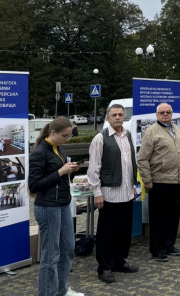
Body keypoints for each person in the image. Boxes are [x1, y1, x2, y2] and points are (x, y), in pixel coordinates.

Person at [28, 117, 84, 296]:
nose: (66, 139)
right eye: (64, 136)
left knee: (68, 249)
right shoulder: (39, 153)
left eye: (69, 136)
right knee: (51, 255)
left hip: (62, 205)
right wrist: (60, 172)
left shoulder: (58, 148)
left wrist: (70, 169)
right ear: (52, 133)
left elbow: (58, 176)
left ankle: (62, 289)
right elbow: (34, 185)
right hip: (47, 207)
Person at [88, 104, 139, 284]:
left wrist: (133, 185)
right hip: (109, 193)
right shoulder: (100, 138)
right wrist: (97, 193)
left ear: (124, 117)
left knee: (124, 231)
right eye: (114, 115)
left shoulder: (128, 135)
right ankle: (104, 267)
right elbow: (94, 168)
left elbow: (130, 163)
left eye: (120, 114)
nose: (117, 117)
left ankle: (119, 261)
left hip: (126, 192)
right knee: (107, 232)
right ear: (108, 118)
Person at [137, 103, 180, 261]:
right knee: (159, 217)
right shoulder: (151, 132)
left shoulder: (176, 128)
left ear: (172, 114)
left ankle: (169, 244)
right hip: (159, 180)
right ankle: (157, 248)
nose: (165, 114)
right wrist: (147, 180)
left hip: (176, 180)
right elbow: (143, 158)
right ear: (157, 114)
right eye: (162, 112)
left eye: (168, 112)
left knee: (173, 215)